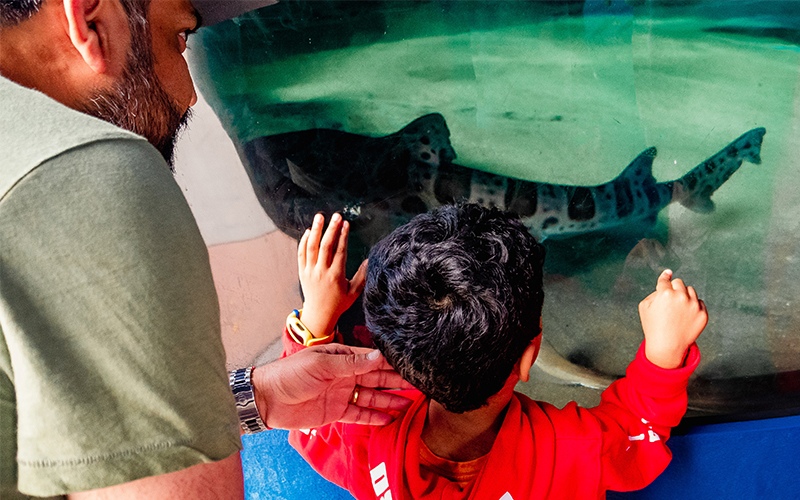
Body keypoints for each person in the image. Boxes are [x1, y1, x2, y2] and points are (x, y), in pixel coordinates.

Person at [0, 0, 411, 498]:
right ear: (89, 16)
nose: (191, 95)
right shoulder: (84, 172)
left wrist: (252, 398)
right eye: (178, 39)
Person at [283, 205, 709, 499]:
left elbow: (308, 421)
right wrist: (664, 355)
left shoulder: (364, 433)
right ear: (530, 357)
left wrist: (316, 320)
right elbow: (633, 435)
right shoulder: (568, 450)